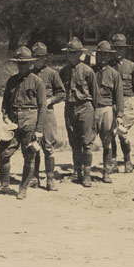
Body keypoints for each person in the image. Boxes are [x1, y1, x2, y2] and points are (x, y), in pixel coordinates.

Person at [0, 46, 47, 200]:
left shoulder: (38, 82)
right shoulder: (11, 81)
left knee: (29, 155)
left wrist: (39, 129)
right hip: (13, 120)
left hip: (30, 118)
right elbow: (5, 102)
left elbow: (43, 107)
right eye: (19, 63)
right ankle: (4, 185)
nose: (21, 66)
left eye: (24, 63)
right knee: (4, 152)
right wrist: (5, 116)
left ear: (31, 64)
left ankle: (23, 188)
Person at [59, 37, 99, 187]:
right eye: (69, 53)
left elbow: (95, 94)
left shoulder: (88, 71)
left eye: (75, 53)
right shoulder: (64, 71)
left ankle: (87, 174)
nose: (71, 55)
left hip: (85, 107)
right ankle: (77, 171)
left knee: (87, 142)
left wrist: (92, 112)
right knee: (74, 141)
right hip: (69, 108)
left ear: (80, 54)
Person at [30, 42, 66, 191]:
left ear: (45, 58)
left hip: (48, 113)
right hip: (32, 113)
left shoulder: (52, 73)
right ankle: (34, 177)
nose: (38, 60)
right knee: (33, 146)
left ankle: (50, 178)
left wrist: (49, 101)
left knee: (48, 145)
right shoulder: (29, 74)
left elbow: (62, 93)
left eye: (41, 57)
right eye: (36, 57)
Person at [110, 34, 134, 173]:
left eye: (120, 49)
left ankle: (127, 160)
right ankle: (113, 161)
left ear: (125, 50)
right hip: (111, 102)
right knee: (110, 133)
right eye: (115, 49)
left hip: (126, 102)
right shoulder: (108, 66)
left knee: (122, 134)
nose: (118, 52)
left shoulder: (131, 66)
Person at [94, 41, 124, 184]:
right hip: (92, 109)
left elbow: (119, 97)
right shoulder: (90, 71)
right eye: (100, 54)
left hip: (107, 109)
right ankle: (82, 171)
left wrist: (119, 115)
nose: (103, 57)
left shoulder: (114, 74)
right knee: (86, 141)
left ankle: (106, 171)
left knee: (107, 141)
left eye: (106, 54)